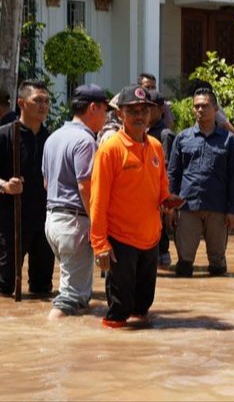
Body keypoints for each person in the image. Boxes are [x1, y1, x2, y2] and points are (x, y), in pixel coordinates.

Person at [90, 85, 181, 328]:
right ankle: (113, 358)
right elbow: (97, 199)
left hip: (150, 239)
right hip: (121, 241)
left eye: (144, 110)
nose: (140, 116)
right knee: (119, 313)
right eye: (133, 111)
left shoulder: (156, 146)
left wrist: (169, 202)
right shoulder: (110, 149)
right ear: (120, 114)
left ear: (152, 113)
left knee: (143, 309)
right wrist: (100, 245)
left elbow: (162, 186)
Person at [42, 84, 108, 319]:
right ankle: (54, 341)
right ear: (93, 108)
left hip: (53, 221)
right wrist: (98, 225)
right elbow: (85, 186)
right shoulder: (85, 141)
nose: (106, 116)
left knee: (79, 297)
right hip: (75, 222)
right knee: (69, 299)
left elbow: (46, 184)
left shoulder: (53, 137)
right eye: (105, 110)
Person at [168, 88, 234, 278]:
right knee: (184, 263)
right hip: (187, 207)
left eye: (205, 106)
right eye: (197, 106)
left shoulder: (228, 140)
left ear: (215, 108)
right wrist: (170, 207)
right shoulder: (182, 138)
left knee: (217, 263)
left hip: (217, 208)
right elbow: (173, 174)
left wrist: (233, 210)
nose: (200, 110)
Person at [0, 79, 54, 296]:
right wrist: (4, 186)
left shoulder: (51, 139)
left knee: (42, 288)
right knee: (5, 286)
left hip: (44, 220)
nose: (43, 106)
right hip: (11, 219)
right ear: (22, 103)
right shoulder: (4, 135)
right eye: (37, 100)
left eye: (47, 101)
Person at [147, 90, 176, 268]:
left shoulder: (165, 135)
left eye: (149, 108)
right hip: (144, 194)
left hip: (159, 194)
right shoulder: (141, 132)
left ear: (160, 110)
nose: (145, 112)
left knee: (160, 235)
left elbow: (169, 170)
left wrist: (168, 203)